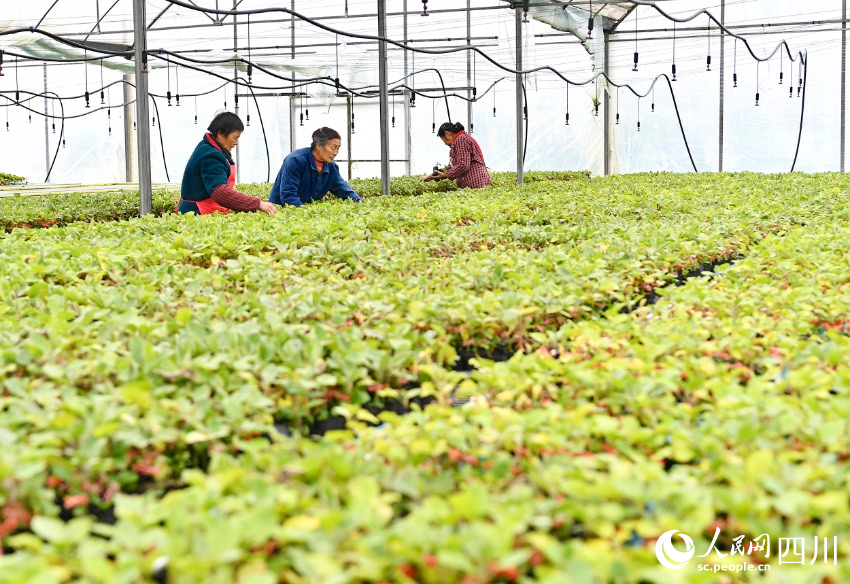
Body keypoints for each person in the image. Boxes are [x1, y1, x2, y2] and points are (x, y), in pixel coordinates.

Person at [177, 112, 277, 215]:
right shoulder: (211, 156)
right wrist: (258, 204)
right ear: (220, 134)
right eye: (234, 138)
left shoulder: (206, 146)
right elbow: (220, 192)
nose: (236, 142)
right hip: (196, 213)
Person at [269, 127, 362, 207]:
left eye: (338, 148)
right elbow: (288, 195)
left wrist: (360, 203)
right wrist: (304, 213)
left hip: (304, 214)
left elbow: (344, 190)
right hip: (280, 212)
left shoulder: (332, 168)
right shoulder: (296, 160)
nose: (335, 152)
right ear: (318, 146)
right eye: (333, 148)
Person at [420, 122, 491, 189]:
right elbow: (455, 165)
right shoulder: (462, 139)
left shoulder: (461, 140)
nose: (445, 143)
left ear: (447, 133)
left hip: (476, 184)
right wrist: (432, 176)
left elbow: (463, 165)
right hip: (476, 184)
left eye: (444, 140)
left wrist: (446, 176)